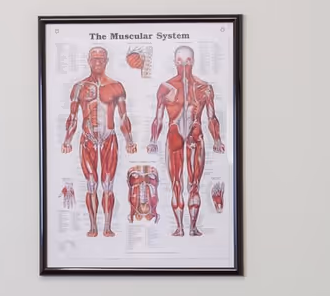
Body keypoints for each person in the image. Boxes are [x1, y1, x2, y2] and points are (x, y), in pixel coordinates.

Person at [147, 45, 226, 237]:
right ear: (175, 62)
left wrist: (217, 139)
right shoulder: (165, 88)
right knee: (176, 183)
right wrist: (153, 140)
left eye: (188, 60)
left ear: (193, 61)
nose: (184, 64)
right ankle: (179, 227)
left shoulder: (204, 88)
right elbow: (158, 118)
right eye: (180, 60)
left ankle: (192, 227)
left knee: (194, 184)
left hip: (195, 135)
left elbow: (212, 117)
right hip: (174, 134)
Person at [60, 46, 136, 238]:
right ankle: (93, 226)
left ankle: (107, 227)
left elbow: (124, 116)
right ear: (88, 60)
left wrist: (129, 140)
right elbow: (72, 117)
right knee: (92, 183)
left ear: (107, 60)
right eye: (94, 59)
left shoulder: (116, 86)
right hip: (88, 140)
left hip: (109, 138)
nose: (97, 62)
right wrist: (67, 140)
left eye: (101, 59)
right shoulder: (79, 87)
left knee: (108, 183)